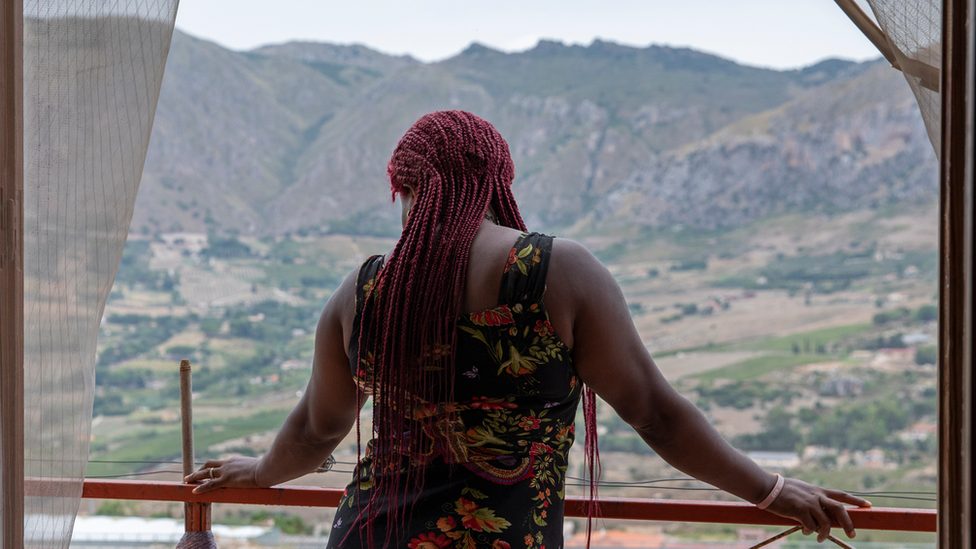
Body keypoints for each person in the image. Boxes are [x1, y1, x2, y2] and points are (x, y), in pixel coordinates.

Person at [184, 110, 871, 547]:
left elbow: (315, 431)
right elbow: (657, 414)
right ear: (495, 182)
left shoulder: (362, 290)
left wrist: (260, 470)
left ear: (407, 190)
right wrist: (774, 491)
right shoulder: (556, 272)